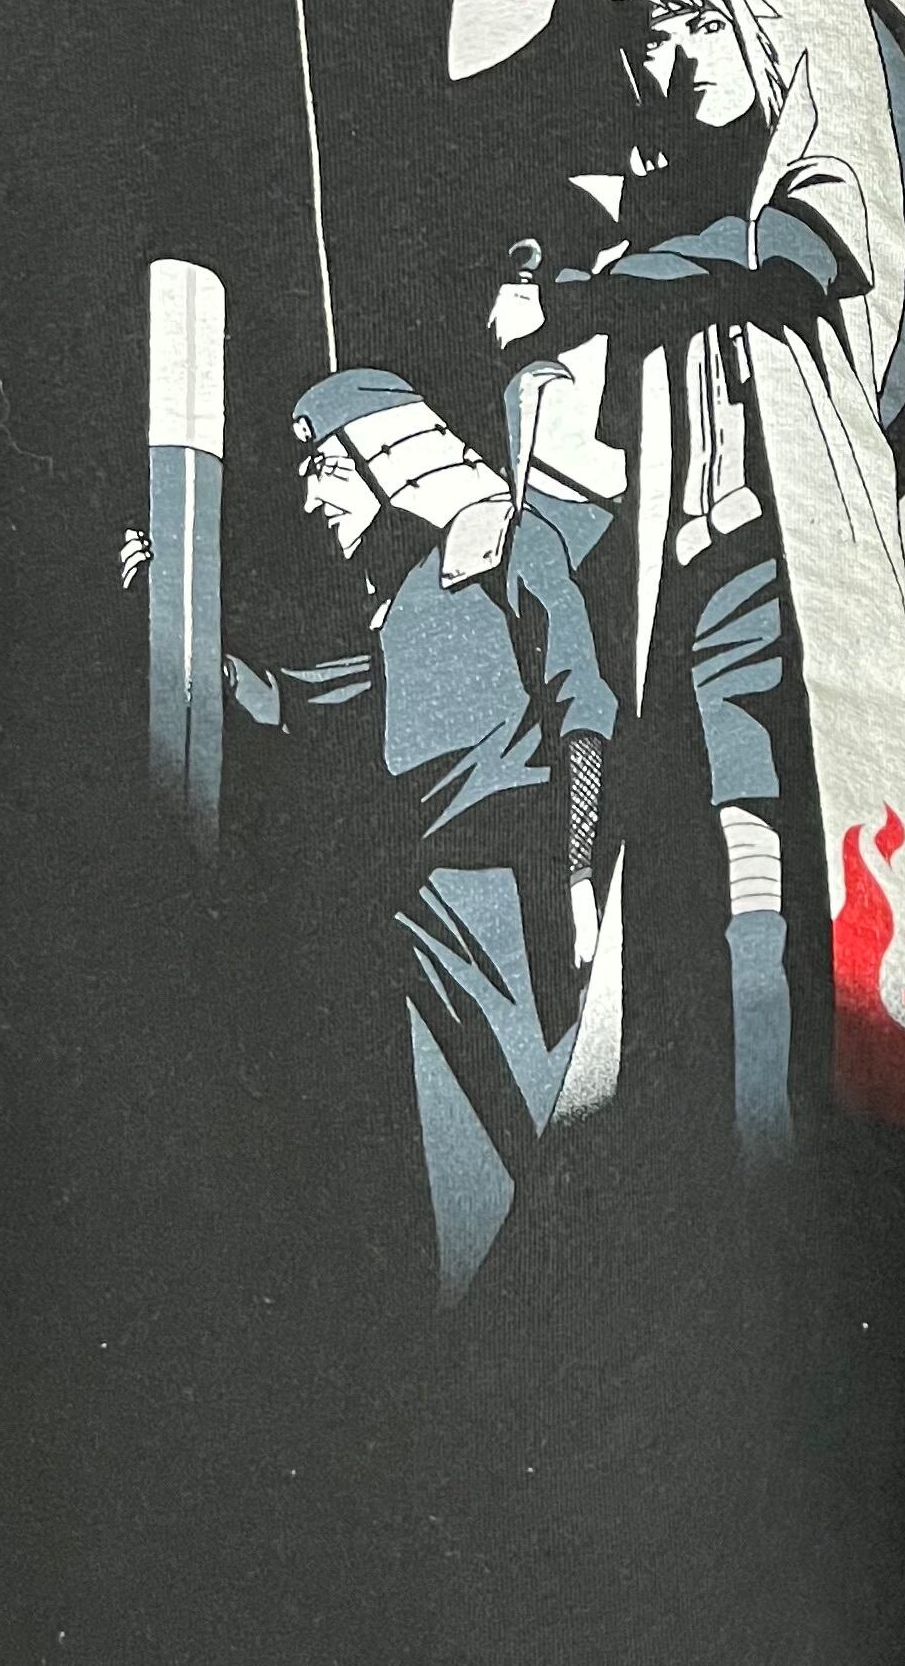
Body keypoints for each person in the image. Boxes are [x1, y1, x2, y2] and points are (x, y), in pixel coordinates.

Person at [492, 0, 905, 1171]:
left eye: (701, 23)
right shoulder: (662, 251)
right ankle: (760, 1144)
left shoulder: (794, 199)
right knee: (746, 870)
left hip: (811, 571)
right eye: (655, 37)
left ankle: (863, 1153)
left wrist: (581, 298)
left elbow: (803, 255)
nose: (677, 57)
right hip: (708, 585)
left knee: (857, 875)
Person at [215, 367, 615, 1298]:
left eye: (325, 468)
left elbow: (580, 701)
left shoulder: (511, 540)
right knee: (469, 1182)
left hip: (515, 875)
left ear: (386, 451)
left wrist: (577, 874)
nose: (311, 500)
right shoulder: (401, 603)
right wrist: (174, 609)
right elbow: (297, 701)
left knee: (555, 1129)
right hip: (429, 908)